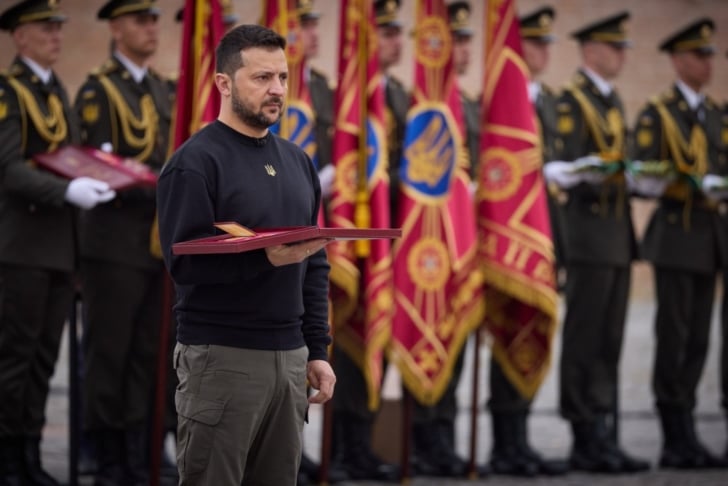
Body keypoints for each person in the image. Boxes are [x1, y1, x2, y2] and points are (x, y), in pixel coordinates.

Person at [157, 23, 335, 485]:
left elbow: (314, 264)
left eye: (282, 77)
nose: (277, 89)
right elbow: (183, 263)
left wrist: (317, 350)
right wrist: (263, 258)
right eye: (262, 78)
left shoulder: (298, 161)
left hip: (290, 359)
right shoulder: (194, 163)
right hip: (222, 358)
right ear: (224, 83)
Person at [0, 1, 116, 485]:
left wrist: (98, 168)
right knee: (15, 360)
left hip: (60, 248)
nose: (55, 35)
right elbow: (9, 168)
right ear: (19, 36)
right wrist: (66, 190)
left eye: (57, 28)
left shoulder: (56, 92)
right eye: (44, 28)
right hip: (22, 248)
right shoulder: (8, 92)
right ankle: (7, 460)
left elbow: (64, 157)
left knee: (44, 360)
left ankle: (29, 455)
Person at [543, 11, 650, 474]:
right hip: (587, 235)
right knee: (585, 337)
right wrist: (588, 169)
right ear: (590, 50)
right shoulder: (571, 101)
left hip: (617, 235)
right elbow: (559, 165)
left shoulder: (611, 99)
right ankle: (584, 431)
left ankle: (602, 427)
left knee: (610, 338)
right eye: (614, 47)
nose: (622, 55)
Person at [73, 0, 172, 483]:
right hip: (113, 243)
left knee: (146, 353)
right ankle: (105, 452)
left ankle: (137, 448)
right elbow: (95, 161)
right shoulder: (99, 89)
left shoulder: (161, 88)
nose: (151, 28)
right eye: (140, 20)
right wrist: (155, 179)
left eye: (154, 19)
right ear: (116, 28)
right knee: (109, 353)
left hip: (155, 243)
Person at [630, 18, 727, 470]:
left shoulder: (714, 114)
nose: (708, 64)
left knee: (699, 340)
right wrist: (680, 181)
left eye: (710, 55)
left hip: (710, 240)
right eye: (699, 55)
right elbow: (642, 171)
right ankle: (674, 432)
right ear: (678, 60)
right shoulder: (659, 112)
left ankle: (688, 428)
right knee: (675, 336)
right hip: (676, 236)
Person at [482, 6, 570, 477]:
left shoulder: (551, 104)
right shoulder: (496, 104)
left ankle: (521, 438)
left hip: (544, 236)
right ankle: (505, 442)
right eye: (535, 43)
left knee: (532, 331)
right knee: (508, 329)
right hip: (507, 242)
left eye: (547, 44)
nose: (544, 52)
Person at [328, 0, 404, 481]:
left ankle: (362, 443)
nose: (395, 42)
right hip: (349, 235)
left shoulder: (400, 96)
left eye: (398, 34)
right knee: (342, 343)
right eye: (386, 33)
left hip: (387, 237)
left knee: (377, 342)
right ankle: (339, 446)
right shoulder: (345, 95)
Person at [408, 1, 475, 478]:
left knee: (457, 336)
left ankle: (444, 435)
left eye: (467, 41)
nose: (462, 50)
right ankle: (422, 437)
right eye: (456, 41)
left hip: (462, 242)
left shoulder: (468, 104)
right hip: (423, 239)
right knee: (425, 329)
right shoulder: (418, 102)